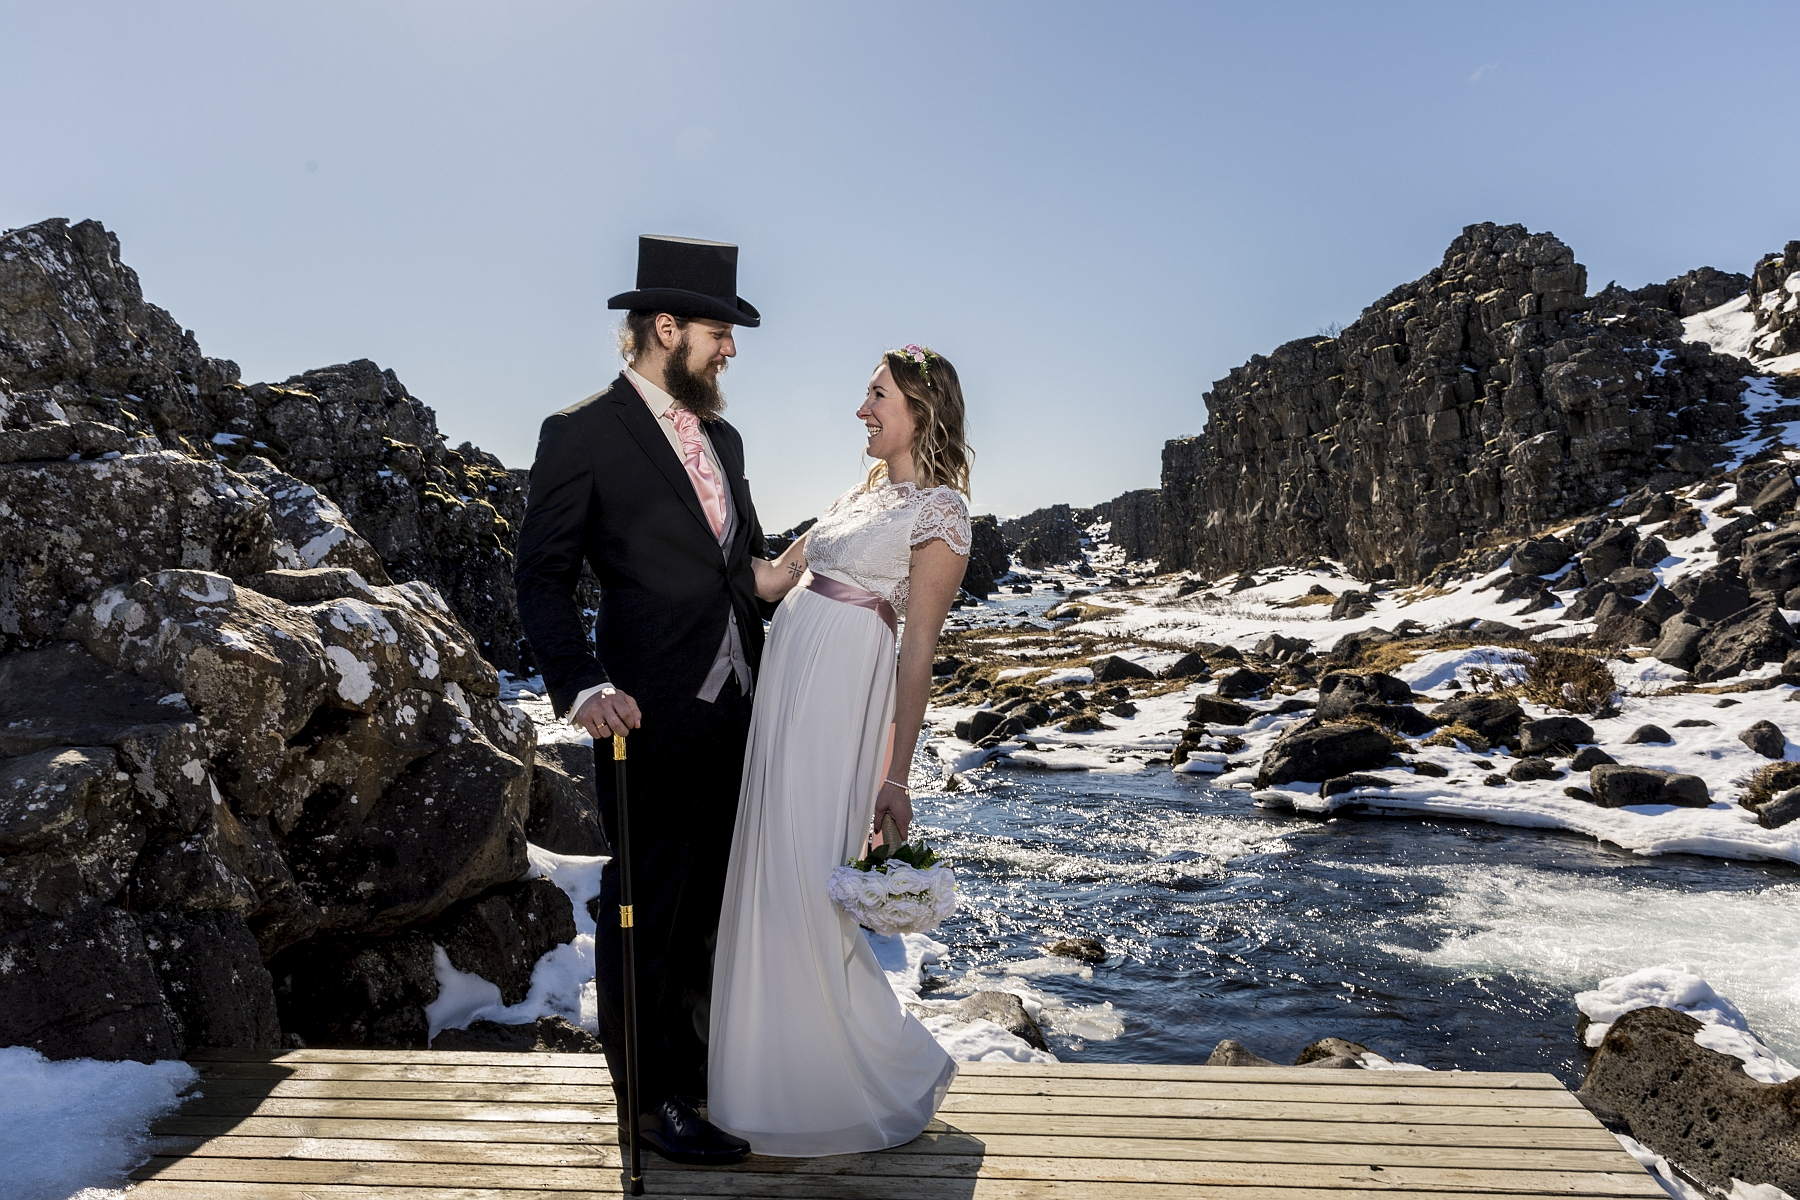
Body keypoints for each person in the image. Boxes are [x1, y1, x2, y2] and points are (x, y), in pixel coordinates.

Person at [512, 235, 806, 1166]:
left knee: (719, 900)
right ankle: (649, 1100)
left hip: (741, 707)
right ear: (665, 328)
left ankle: (707, 1076)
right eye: (720, 333)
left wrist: (831, 551)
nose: (731, 352)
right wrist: (584, 685)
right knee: (650, 902)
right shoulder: (583, 433)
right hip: (644, 713)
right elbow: (541, 578)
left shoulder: (727, 440)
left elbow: (746, 575)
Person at [707, 344, 972, 1156]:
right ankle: (763, 1077)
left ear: (920, 410)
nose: (863, 410)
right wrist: (685, 516)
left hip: (838, 708)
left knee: (803, 879)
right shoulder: (856, 497)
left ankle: (832, 1089)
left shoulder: (941, 514)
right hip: (782, 701)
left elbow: (918, 651)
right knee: (765, 872)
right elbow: (769, 581)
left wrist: (895, 774)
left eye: (877, 396)